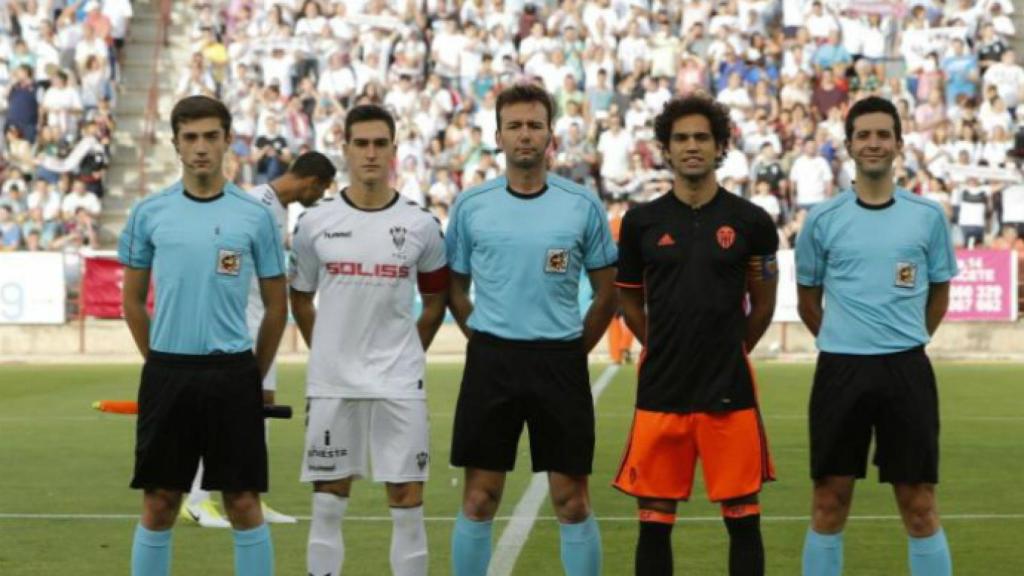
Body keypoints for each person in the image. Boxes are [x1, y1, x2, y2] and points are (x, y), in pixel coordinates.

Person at [446, 82, 618, 576]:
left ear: (550, 136)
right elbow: (455, 288)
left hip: (558, 361)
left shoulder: (581, 204)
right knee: (480, 498)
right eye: (515, 126)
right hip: (491, 362)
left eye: (534, 126)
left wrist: (573, 348)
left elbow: (607, 292)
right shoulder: (471, 204)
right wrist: (479, 338)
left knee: (572, 501)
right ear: (497, 136)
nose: (525, 135)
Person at [118, 95, 288, 576]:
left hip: (231, 372)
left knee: (242, 500)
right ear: (176, 144)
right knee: (159, 502)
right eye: (190, 137)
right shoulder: (149, 212)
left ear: (227, 141)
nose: (201, 147)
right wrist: (156, 357)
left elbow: (278, 306)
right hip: (168, 371)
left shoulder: (253, 216)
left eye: (211, 136)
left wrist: (252, 371)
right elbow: (132, 301)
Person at [612, 95, 779, 576]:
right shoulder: (641, 222)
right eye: (680, 138)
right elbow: (628, 300)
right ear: (665, 148)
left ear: (720, 146)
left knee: (743, 519)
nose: (691, 147)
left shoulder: (752, 221)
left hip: (730, 389)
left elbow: (763, 303)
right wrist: (661, 344)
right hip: (662, 388)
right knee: (654, 522)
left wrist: (730, 349)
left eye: (702, 137)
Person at [795, 96, 957, 576]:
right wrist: (846, 338)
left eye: (882, 134)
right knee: (829, 500)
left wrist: (904, 339)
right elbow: (808, 300)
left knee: (919, 502)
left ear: (898, 144)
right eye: (863, 134)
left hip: (906, 369)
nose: (873, 143)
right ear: (848, 145)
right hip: (840, 369)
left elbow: (940, 294)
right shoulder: (823, 219)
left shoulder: (927, 216)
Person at [289, 104, 449, 576]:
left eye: (381, 143)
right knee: (329, 501)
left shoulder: (421, 224)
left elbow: (436, 300)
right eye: (361, 144)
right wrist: (327, 353)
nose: (371, 153)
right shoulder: (315, 223)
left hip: (398, 382)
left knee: (407, 501)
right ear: (346, 151)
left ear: (395, 150)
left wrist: (407, 353)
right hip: (333, 382)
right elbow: (300, 299)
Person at [180, 150, 337, 528]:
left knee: (260, 412)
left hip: (263, 322)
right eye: (323, 189)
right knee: (224, 414)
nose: (320, 196)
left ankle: (251, 495)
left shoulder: (279, 209)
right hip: (239, 325)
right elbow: (226, 256)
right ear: (312, 182)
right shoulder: (253, 204)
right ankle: (197, 500)